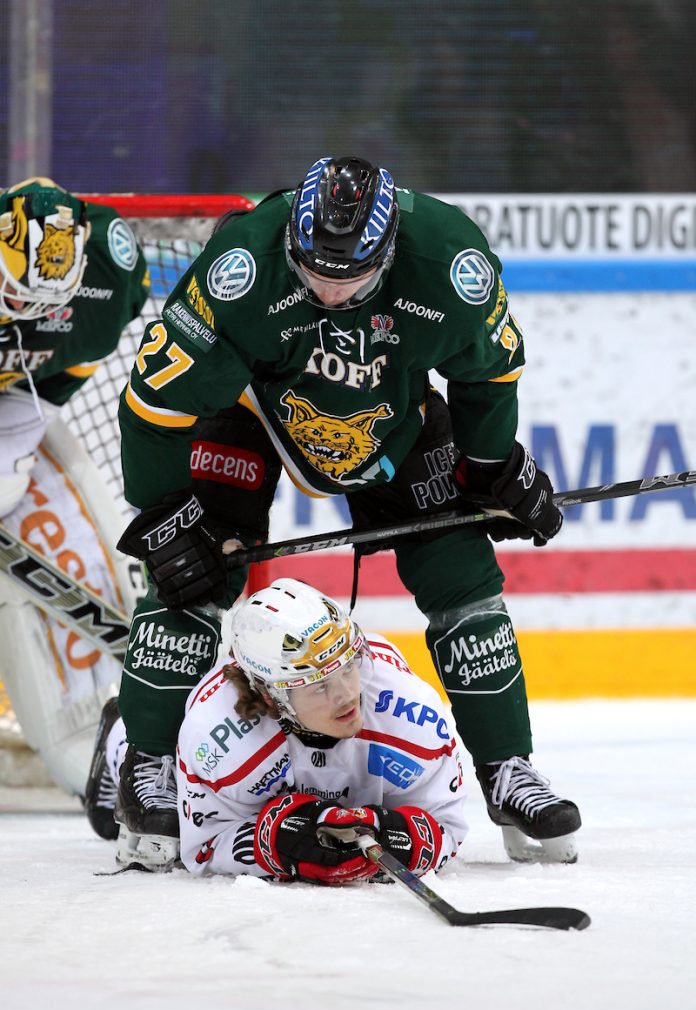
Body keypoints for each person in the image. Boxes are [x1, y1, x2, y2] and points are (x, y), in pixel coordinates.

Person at [113, 156, 581, 870]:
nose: (331, 289)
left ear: (390, 250)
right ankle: (147, 762)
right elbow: (153, 405)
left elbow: (489, 375)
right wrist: (165, 518)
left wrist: (489, 466)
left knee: (460, 569)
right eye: (314, 270)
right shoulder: (243, 266)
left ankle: (507, 768)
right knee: (192, 569)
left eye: (352, 275)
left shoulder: (450, 261)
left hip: (392, 417)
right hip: (250, 408)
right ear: (292, 241)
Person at [88, 578, 467, 878]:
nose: (347, 696)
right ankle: (118, 736)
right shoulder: (217, 737)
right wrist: (273, 841)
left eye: (349, 666)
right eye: (320, 685)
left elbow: (448, 825)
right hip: (225, 759)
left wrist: (401, 834)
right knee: (164, 834)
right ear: (270, 697)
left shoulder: (411, 713)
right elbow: (200, 849)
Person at [0, 177, 149, 794]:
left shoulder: (110, 267)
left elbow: (89, 344)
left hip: (23, 399)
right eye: (13, 293)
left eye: (40, 302)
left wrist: (29, 410)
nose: (24, 310)